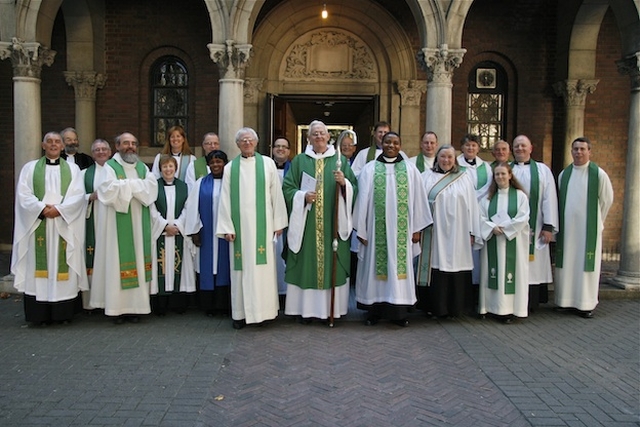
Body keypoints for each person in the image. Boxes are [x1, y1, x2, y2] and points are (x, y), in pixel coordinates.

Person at [282, 120, 357, 323]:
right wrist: (302, 196)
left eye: (322, 133)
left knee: (332, 263)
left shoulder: (339, 161)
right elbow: (287, 188)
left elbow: (354, 189)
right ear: (308, 138)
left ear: (328, 137)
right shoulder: (299, 161)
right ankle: (306, 312)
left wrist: (344, 185)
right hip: (307, 225)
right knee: (307, 265)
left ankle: (332, 311)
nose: (319, 137)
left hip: (333, 224)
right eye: (314, 134)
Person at [354, 131, 431, 327]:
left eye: (395, 142)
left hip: (402, 233)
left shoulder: (410, 169)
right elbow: (362, 200)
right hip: (374, 229)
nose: (391, 145)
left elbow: (419, 200)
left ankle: (399, 313)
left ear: (400, 145)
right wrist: (361, 229)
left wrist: (416, 230)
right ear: (381, 143)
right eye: (388, 142)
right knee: (374, 270)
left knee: (399, 270)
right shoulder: (370, 169)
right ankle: (374, 312)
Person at [11, 131, 88, 325]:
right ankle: (39, 316)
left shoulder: (73, 169)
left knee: (63, 266)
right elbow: (23, 195)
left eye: (57, 142)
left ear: (62, 146)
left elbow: (78, 196)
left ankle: (62, 315)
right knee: (37, 268)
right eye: (49, 142)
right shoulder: (29, 169)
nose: (53, 145)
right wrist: (41, 209)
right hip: (38, 225)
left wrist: (60, 210)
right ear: (43, 145)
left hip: (63, 224)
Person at [216, 127, 288, 329]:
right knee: (240, 272)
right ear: (238, 144)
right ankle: (240, 314)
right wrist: (227, 226)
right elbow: (225, 199)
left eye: (250, 140)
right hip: (239, 232)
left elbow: (276, 194)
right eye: (242, 140)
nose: (247, 143)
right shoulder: (231, 168)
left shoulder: (267, 164)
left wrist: (278, 222)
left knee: (263, 272)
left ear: (256, 143)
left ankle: (264, 314)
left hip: (263, 229)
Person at [90, 132, 158, 324]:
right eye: (125, 143)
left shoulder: (143, 167)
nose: (130, 146)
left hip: (139, 223)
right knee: (116, 263)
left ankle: (136, 308)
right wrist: (137, 186)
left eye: (133, 143)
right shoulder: (109, 167)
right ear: (117, 146)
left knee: (137, 260)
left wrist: (126, 186)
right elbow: (108, 191)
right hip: (116, 226)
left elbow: (151, 190)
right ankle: (116, 309)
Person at [417, 145, 482, 318]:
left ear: (455, 160)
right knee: (435, 264)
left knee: (457, 264)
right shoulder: (425, 177)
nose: (446, 160)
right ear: (437, 158)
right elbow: (419, 207)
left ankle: (456, 308)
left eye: (450, 157)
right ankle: (434, 307)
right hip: (434, 233)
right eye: (443, 157)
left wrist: (472, 232)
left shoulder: (464, 178)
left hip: (459, 232)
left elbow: (473, 207)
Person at [555, 137, 613, 318]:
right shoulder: (564, 175)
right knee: (568, 262)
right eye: (575, 149)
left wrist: (596, 222)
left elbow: (606, 199)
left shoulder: (598, 174)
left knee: (585, 265)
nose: (579, 152)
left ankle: (585, 304)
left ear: (590, 151)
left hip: (588, 230)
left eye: (582, 149)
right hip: (568, 230)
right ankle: (565, 301)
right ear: (571, 152)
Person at [511, 135, 559, 312]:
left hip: (536, 226)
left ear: (531, 148)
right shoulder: (506, 169)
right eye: (516, 146)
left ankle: (532, 302)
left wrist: (548, 227)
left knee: (534, 266)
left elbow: (549, 198)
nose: (520, 149)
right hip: (513, 229)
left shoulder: (542, 170)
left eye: (523, 146)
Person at [478, 163, 530, 323]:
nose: (500, 177)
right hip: (493, 241)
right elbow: (480, 217)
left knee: (511, 275)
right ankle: (490, 307)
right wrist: (491, 227)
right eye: (497, 174)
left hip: (513, 242)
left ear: (510, 175)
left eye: (503, 174)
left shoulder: (520, 196)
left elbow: (523, 217)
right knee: (493, 274)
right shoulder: (488, 198)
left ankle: (511, 310)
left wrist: (506, 228)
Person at [184, 150, 231, 316]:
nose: (216, 165)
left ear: (225, 164)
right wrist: (194, 230)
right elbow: (192, 208)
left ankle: (225, 305)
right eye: (212, 162)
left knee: (226, 267)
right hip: (207, 233)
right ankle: (209, 306)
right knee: (208, 267)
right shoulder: (200, 183)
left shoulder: (231, 183)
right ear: (208, 165)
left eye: (219, 162)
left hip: (227, 235)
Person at [150, 155, 195, 315]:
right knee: (161, 268)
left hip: (178, 233)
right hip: (161, 233)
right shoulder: (154, 186)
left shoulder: (183, 187)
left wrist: (177, 225)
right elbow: (151, 209)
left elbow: (188, 207)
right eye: (165, 167)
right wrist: (164, 225)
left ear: (175, 169)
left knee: (178, 268)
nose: (168, 170)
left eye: (171, 167)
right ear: (160, 169)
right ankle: (160, 305)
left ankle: (178, 304)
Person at [457, 134, 493, 312]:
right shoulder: (455, 165)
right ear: (461, 148)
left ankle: (477, 293)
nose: (470, 148)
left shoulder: (485, 167)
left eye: (473, 145)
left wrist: (474, 200)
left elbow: (488, 188)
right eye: (467, 145)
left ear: (478, 148)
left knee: (477, 257)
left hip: (479, 214)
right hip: (460, 215)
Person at [82, 138, 112, 311]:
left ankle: (111, 300)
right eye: (97, 150)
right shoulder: (84, 173)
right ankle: (92, 302)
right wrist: (89, 196)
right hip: (92, 219)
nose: (101, 152)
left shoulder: (117, 170)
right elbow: (76, 197)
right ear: (92, 154)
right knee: (92, 258)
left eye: (104, 149)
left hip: (112, 219)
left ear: (109, 152)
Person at [271, 136, 292, 306]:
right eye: (277, 146)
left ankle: (286, 295)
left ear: (289, 151)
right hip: (270, 220)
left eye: (284, 147)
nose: (280, 149)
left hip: (291, 219)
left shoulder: (294, 168)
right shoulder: (266, 168)